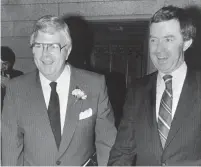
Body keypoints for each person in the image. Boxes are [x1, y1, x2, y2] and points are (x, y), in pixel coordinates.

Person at [1, 15, 117, 166]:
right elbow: (10, 150)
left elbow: (107, 144)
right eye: (39, 46)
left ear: (67, 50)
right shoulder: (16, 89)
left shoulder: (94, 84)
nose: (45, 54)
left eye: (53, 46)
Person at [108, 5, 201, 166]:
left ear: (186, 43)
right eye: (153, 40)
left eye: (168, 39)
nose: (159, 49)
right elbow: (122, 152)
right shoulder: (137, 90)